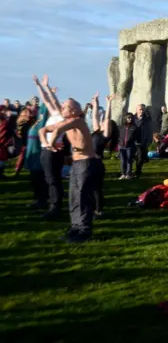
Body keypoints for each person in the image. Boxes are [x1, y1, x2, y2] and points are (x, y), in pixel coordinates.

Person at [38, 97, 105, 243]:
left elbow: (57, 130)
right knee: (74, 198)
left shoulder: (77, 121)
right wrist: (47, 143)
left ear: (75, 110)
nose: (62, 109)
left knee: (82, 198)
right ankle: (75, 227)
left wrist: (52, 143)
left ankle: (84, 231)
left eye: (65, 107)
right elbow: (42, 130)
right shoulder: (67, 122)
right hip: (77, 164)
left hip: (87, 163)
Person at [33, 75, 66, 219]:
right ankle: (53, 204)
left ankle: (55, 207)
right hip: (47, 149)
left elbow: (52, 100)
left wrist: (48, 88)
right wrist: (40, 85)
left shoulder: (63, 119)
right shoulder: (55, 115)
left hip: (53, 151)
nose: (61, 105)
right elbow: (46, 100)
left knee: (53, 179)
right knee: (51, 178)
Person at [89, 92, 114, 217]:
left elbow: (108, 119)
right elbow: (94, 118)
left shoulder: (105, 135)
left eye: (104, 122)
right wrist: (96, 103)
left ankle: (99, 210)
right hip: (90, 162)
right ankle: (93, 208)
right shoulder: (96, 132)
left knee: (96, 188)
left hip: (97, 164)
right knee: (91, 187)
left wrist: (109, 103)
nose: (103, 121)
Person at [25, 102, 49, 208]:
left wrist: (47, 99)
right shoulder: (36, 123)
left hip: (38, 159)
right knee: (34, 180)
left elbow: (44, 110)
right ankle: (38, 199)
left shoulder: (42, 124)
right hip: (32, 156)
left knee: (39, 180)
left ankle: (42, 200)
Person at [118, 112, 140, 180]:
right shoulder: (121, 127)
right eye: (128, 118)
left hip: (130, 147)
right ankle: (123, 174)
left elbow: (137, 136)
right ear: (125, 118)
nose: (130, 119)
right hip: (121, 147)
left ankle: (128, 174)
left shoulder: (134, 127)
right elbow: (118, 136)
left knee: (129, 160)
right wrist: (118, 143)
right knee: (123, 161)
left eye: (131, 118)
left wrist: (137, 143)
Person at [134, 104, 152, 177]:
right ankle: (126, 172)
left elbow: (149, 130)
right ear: (137, 110)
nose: (141, 111)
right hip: (134, 140)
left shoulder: (147, 119)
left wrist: (149, 141)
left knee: (140, 157)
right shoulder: (132, 118)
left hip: (143, 140)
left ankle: (138, 171)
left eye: (143, 110)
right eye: (140, 109)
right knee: (131, 157)